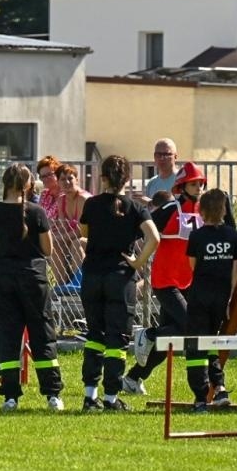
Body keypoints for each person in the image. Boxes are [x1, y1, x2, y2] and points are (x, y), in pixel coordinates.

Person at [79, 154, 160, 410]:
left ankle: (89, 396)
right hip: (120, 277)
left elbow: (83, 234)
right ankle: (111, 398)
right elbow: (154, 238)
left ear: (102, 178)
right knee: (117, 339)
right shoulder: (136, 208)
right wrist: (137, 262)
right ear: (127, 179)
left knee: (94, 336)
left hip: (92, 276)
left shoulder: (91, 205)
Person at [0, 164, 65, 411]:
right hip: (34, 278)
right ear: (29, 185)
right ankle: (52, 394)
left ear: (4, 183)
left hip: (4, 276)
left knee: (9, 335)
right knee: (42, 333)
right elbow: (48, 249)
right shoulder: (37, 212)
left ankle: (10, 395)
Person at [123, 162, 204, 394]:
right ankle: (147, 334)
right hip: (165, 281)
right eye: (193, 184)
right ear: (182, 186)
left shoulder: (203, 210)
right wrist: (133, 257)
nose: (198, 188)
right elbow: (142, 231)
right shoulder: (169, 209)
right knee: (189, 326)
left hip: (188, 281)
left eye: (200, 184)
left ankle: (132, 378)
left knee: (171, 338)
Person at [185, 189, 237, 410]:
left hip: (200, 294)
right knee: (213, 341)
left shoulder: (196, 236)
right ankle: (219, 387)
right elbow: (235, 268)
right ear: (224, 210)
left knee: (196, 346)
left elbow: (193, 265)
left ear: (201, 211)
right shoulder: (231, 235)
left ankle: (200, 397)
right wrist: (230, 298)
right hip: (222, 296)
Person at [47, 161, 89, 287]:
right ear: (58, 182)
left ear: (77, 179)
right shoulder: (61, 200)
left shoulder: (84, 199)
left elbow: (82, 230)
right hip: (71, 238)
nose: (66, 182)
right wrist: (55, 237)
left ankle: (79, 283)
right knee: (55, 245)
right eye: (62, 179)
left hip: (92, 238)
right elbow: (62, 227)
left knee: (77, 243)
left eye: (70, 178)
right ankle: (60, 286)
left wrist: (60, 237)